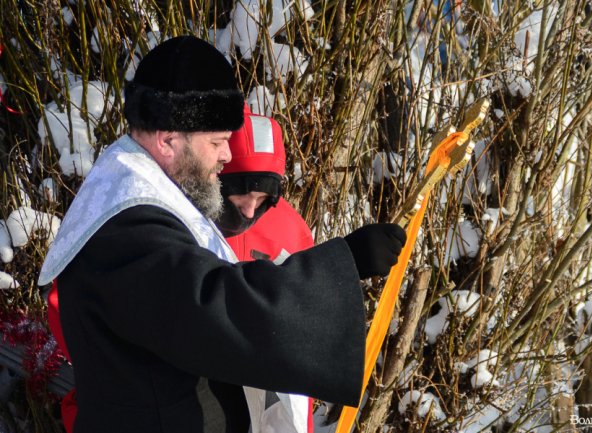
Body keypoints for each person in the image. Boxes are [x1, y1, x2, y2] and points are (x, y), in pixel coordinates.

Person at [39, 35, 406, 433]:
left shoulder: (139, 196)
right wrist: (343, 263)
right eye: (216, 142)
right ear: (167, 140)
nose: (227, 156)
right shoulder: (126, 225)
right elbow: (211, 304)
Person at [208, 104, 316, 433]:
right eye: (242, 194)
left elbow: (303, 321)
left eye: (263, 197)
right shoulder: (180, 217)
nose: (251, 210)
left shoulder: (289, 228)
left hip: (259, 394)